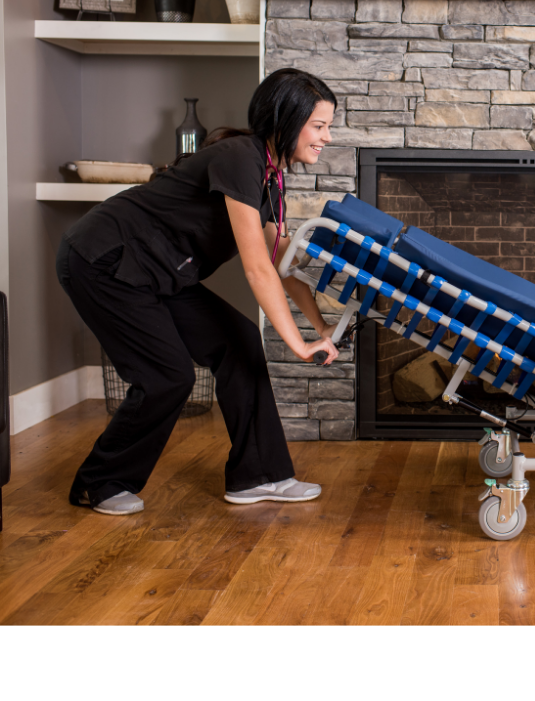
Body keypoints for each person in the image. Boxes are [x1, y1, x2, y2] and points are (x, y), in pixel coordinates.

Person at [56, 67, 340, 516]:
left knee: (240, 343)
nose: (326, 137)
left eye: (328, 127)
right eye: (319, 126)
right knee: (167, 377)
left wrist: (321, 323)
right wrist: (299, 345)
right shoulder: (240, 158)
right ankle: (100, 483)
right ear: (287, 120)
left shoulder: (269, 174)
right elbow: (256, 270)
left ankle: (259, 476)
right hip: (106, 260)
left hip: (162, 273)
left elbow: (279, 261)